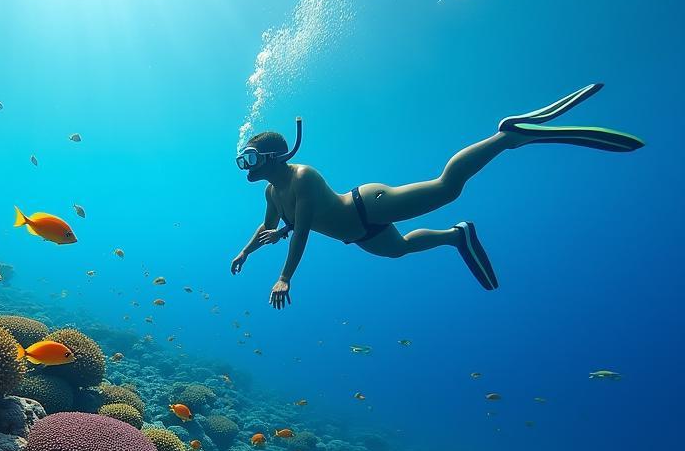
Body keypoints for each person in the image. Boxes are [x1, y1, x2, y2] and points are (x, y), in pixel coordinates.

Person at [230, 83, 644, 308]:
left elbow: (300, 228)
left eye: (249, 158)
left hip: (366, 204)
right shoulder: (271, 191)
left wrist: (285, 276)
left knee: (448, 187)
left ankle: (507, 136)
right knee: (401, 249)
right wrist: (247, 251)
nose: (245, 167)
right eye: (242, 160)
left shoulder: (302, 176)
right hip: (359, 234)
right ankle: (456, 236)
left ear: (272, 156)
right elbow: (271, 227)